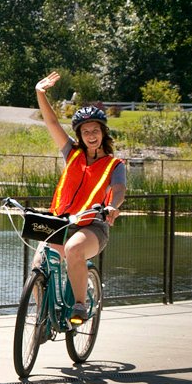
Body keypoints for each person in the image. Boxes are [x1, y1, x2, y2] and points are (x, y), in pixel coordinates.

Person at [34, 72, 126, 324]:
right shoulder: (71, 154)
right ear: (80, 135)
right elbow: (52, 123)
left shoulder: (114, 164)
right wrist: (40, 92)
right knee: (38, 262)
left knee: (74, 249)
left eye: (95, 130)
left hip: (93, 225)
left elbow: (118, 189)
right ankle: (43, 315)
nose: (90, 135)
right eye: (85, 131)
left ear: (103, 132)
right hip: (61, 221)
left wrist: (111, 207)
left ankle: (79, 305)